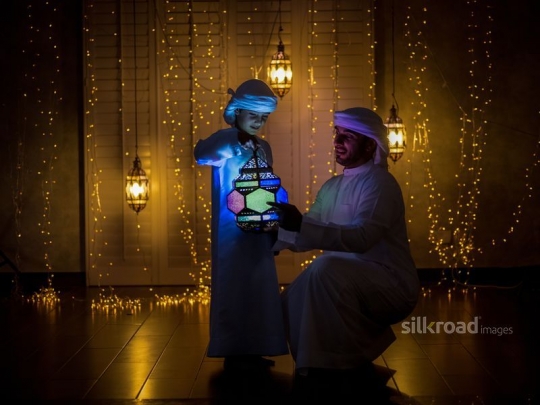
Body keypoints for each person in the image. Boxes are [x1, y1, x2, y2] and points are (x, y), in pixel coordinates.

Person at [269, 107, 420, 390]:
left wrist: (300, 224)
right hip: (343, 278)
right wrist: (274, 239)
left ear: (370, 145)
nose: (337, 141)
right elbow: (309, 228)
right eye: (337, 133)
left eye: (348, 136)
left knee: (324, 268)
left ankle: (334, 365)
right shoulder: (332, 186)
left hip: (391, 283)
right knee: (293, 296)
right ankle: (320, 363)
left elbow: (362, 238)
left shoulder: (381, 184)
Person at [193, 79, 289, 371]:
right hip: (232, 233)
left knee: (260, 287)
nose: (259, 122)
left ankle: (257, 347)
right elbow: (201, 154)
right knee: (235, 287)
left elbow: (270, 182)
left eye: (264, 117)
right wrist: (234, 142)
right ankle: (234, 351)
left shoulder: (264, 147)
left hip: (261, 229)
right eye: (253, 115)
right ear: (237, 112)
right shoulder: (224, 140)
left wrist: (278, 219)